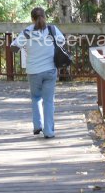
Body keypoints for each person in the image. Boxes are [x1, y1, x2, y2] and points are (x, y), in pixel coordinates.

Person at [10, 7, 65, 138]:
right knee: (48, 101)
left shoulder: (27, 32)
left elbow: (13, 48)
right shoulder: (52, 29)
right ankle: (49, 131)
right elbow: (62, 41)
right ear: (45, 17)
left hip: (33, 71)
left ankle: (37, 126)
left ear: (32, 18)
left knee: (36, 98)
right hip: (50, 69)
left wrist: (26, 46)